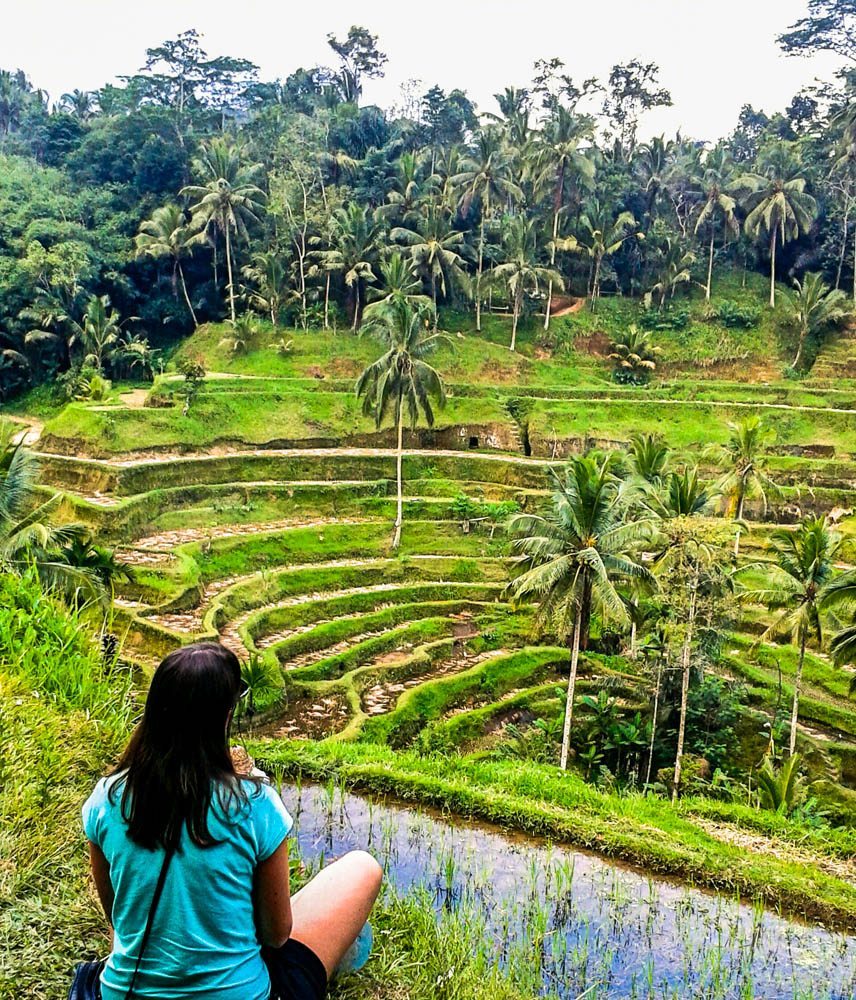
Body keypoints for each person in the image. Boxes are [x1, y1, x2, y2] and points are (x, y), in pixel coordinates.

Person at [82, 641, 382, 1000]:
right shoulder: (254, 805)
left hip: (123, 993)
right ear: (224, 717)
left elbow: (116, 917)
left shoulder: (107, 798)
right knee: (362, 868)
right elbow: (276, 934)